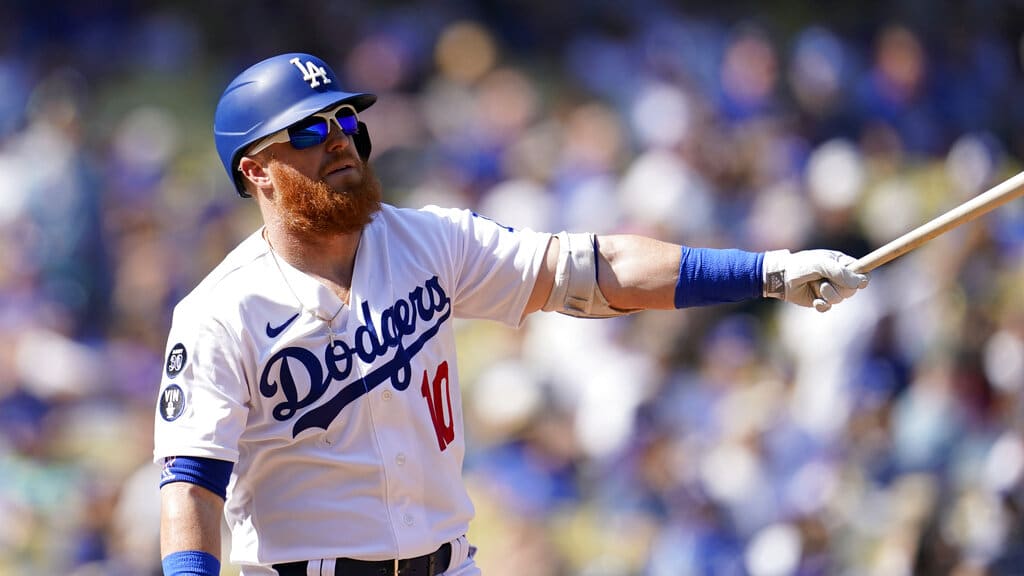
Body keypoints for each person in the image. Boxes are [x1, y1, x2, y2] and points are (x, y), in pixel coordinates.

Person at [154, 52, 870, 576]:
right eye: (307, 130)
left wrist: (766, 272)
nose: (338, 136)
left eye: (344, 118)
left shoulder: (428, 240)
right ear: (254, 170)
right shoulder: (220, 312)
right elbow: (191, 482)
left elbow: (596, 269)